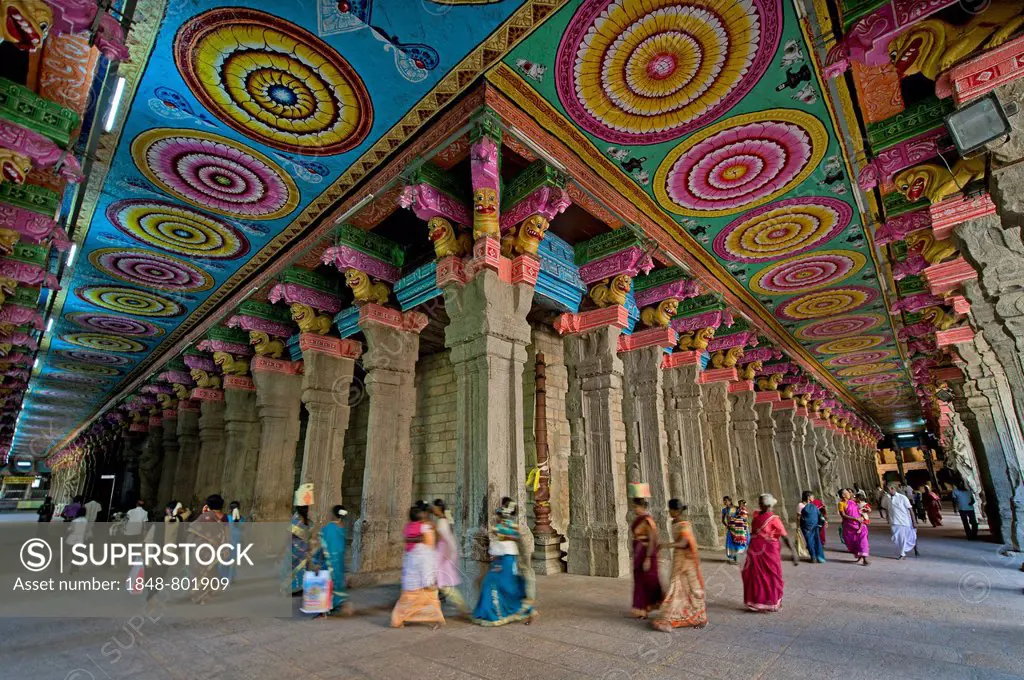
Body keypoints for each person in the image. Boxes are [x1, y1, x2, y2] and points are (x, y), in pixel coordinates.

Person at [471, 501, 535, 626]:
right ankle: (494, 613)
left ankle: (506, 613)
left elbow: (515, 541)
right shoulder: (503, 525)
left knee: (501, 586)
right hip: (499, 559)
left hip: (507, 561)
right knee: (498, 586)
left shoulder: (510, 526)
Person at [652, 500, 706, 631]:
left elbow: (683, 543)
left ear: (676, 510)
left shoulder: (684, 524)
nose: (669, 512)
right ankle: (678, 614)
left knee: (690, 587)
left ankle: (699, 617)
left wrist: (665, 545)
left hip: (686, 560)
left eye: (670, 510)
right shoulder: (674, 522)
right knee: (678, 587)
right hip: (678, 558)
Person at [741, 494, 798, 612]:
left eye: (761, 502)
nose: (759, 504)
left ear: (767, 505)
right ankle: (757, 601)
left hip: (768, 551)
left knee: (771, 575)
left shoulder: (774, 519)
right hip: (756, 549)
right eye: (759, 502)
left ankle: (770, 601)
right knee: (754, 575)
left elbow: (785, 536)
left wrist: (794, 552)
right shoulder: (758, 515)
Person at [391, 505, 445, 628]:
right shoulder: (425, 530)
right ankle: (436, 619)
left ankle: (400, 619)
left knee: (407, 601)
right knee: (430, 598)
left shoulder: (408, 529)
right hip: (422, 578)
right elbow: (425, 560)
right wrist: (429, 580)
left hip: (411, 578)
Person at [189, 494, 227, 605]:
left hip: (200, 549)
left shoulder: (204, 517)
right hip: (214, 549)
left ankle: (198, 596)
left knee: (198, 572)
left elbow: (193, 531)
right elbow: (224, 534)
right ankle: (206, 595)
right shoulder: (222, 517)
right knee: (209, 571)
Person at [630, 497, 663, 618]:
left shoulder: (648, 520)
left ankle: (647, 606)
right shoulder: (639, 519)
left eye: (635, 507)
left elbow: (652, 539)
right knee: (639, 579)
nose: (634, 509)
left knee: (648, 580)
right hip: (638, 552)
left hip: (646, 552)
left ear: (641, 507)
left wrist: (648, 558)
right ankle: (641, 608)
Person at [432, 499, 467, 613]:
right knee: (440, 582)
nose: (433, 510)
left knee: (442, 583)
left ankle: (461, 605)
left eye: (434, 507)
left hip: (442, 553)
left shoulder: (441, 522)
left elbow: (446, 539)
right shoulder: (445, 520)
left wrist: (448, 555)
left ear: (438, 508)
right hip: (442, 552)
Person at [319, 504, 352, 617]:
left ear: (333, 514)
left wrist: (315, 559)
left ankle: (325, 608)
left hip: (329, 562)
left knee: (327, 584)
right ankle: (337, 604)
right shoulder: (342, 528)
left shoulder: (327, 529)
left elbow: (322, 545)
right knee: (337, 583)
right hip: (338, 562)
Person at [288, 484, 321, 595]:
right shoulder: (301, 521)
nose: (305, 509)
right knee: (298, 571)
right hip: (299, 551)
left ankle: (297, 588)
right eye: (304, 507)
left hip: (300, 551)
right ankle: (296, 589)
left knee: (299, 571)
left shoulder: (301, 521)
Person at [879, 484, 918, 559]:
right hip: (893, 521)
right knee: (896, 538)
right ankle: (904, 551)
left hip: (903, 521)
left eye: (887, 489)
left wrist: (914, 522)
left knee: (902, 537)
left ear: (892, 488)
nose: (886, 491)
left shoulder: (902, 497)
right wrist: (887, 516)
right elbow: (885, 507)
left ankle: (902, 554)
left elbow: (910, 509)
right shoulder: (886, 498)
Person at [839, 489, 870, 565]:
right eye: (847, 492)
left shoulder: (852, 502)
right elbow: (843, 515)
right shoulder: (841, 504)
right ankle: (860, 557)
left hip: (860, 524)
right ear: (843, 495)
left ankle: (865, 558)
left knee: (863, 540)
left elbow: (859, 509)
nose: (849, 494)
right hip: (849, 526)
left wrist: (866, 510)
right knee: (854, 542)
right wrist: (856, 519)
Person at [798, 491, 825, 563]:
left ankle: (813, 557)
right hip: (813, 526)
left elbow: (801, 518)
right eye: (812, 496)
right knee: (815, 541)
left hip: (807, 527)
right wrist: (820, 524)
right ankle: (818, 557)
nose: (813, 498)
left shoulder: (811, 506)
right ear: (808, 497)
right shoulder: (804, 506)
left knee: (810, 541)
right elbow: (820, 516)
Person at [726, 499, 750, 564]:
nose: (743, 505)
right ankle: (736, 558)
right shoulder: (733, 509)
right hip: (734, 529)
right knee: (734, 544)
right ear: (739, 503)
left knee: (741, 544)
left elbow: (745, 519)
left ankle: (740, 559)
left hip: (742, 530)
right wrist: (731, 524)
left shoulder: (744, 510)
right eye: (742, 504)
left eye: (744, 504)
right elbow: (729, 518)